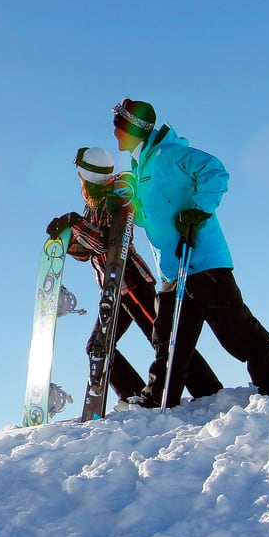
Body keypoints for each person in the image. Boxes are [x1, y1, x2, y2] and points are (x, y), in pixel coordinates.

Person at [111, 97, 269, 408]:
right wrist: (129, 207)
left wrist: (198, 209)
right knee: (168, 341)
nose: (114, 134)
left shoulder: (172, 154)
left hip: (202, 260)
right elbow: (150, 217)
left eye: (118, 128)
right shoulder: (140, 166)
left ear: (132, 129)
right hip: (172, 268)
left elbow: (216, 171)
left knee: (235, 330)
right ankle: (158, 398)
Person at [46, 147, 222, 404]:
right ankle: (134, 397)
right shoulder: (92, 204)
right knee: (97, 347)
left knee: (162, 339)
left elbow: (108, 242)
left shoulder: (118, 190)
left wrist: (76, 223)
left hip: (132, 282)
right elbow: (88, 252)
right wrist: (68, 238)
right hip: (112, 289)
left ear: (85, 173)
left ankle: (208, 390)